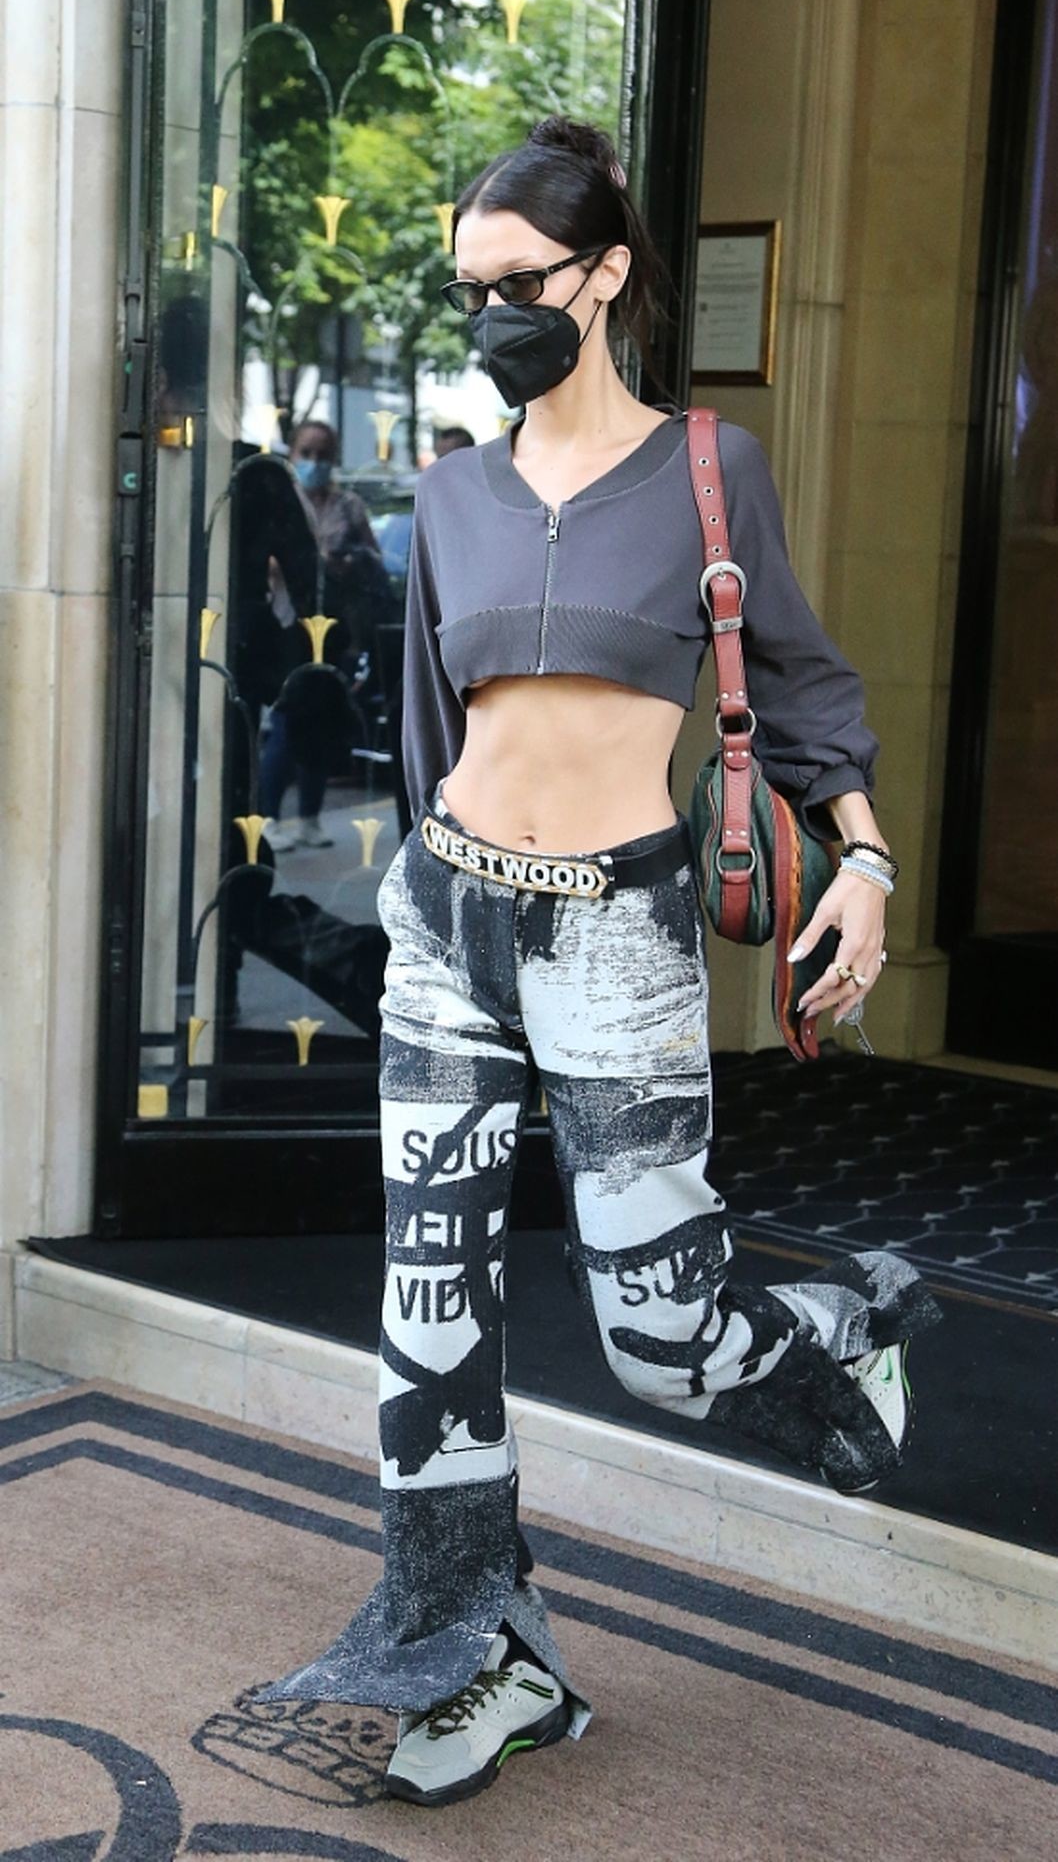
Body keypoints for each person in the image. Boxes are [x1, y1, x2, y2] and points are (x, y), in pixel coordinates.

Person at [252, 116, 941, 1806]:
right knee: (430, 1337)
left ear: (607, 274)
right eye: (464, 290)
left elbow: (799, 686)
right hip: (447, 930)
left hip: (617, 935)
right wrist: (426, 882)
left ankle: (838, 1326)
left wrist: (861, 862)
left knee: (658, 1333)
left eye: (517, 283)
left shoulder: (709, 471)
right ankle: (488, 1666)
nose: (487, 316)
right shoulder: (451, 494)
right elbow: (436, 731)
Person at [261, 419, 393, 849]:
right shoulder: (282, 501)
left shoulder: (348, 506)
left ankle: (310, 817)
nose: (314, 463)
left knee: (321, 720)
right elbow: (259, 558)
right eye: (307, 453)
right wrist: (299, 564)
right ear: (292, 453)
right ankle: (268, 816)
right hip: (287, 625)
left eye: (323, 454)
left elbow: (374, 560)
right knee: (286, 719)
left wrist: (346, 563)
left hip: (336, 628)